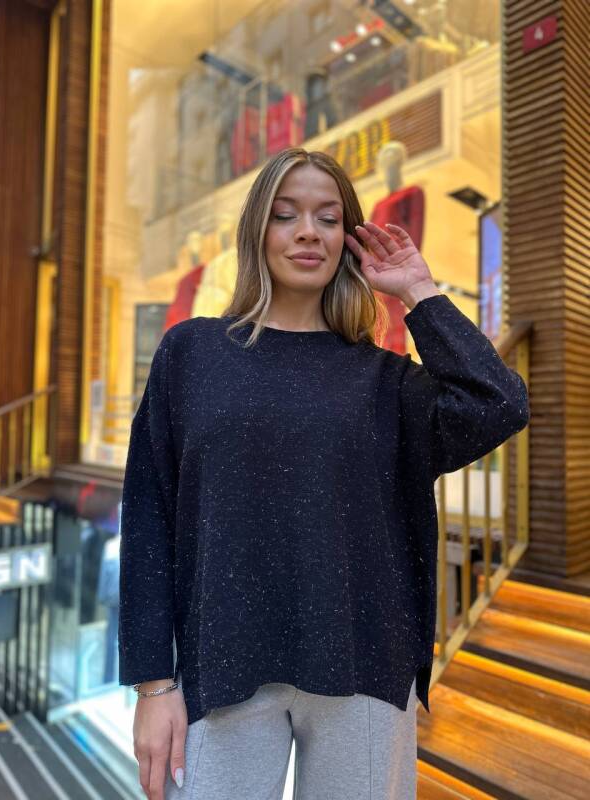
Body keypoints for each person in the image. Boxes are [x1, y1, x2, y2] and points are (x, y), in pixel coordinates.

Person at [119, 147, 529, 800]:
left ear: (348, 240)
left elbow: (498, 403)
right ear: (257, 231)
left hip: (364, 664)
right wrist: (153, 685)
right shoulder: (192, 353)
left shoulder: (385, 380)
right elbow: (149, 518)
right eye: (286, 215)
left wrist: (419, 292)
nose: (308, 232)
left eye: (328, 218)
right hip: (221, 664)